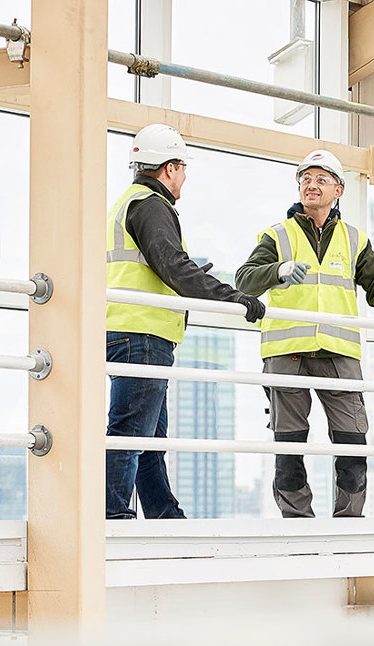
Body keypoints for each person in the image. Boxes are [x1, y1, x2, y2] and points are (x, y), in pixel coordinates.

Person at [235, 149, 374, 518]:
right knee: (289, 447)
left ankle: (349, 521)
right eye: (305, 179)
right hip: (288, 352)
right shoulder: (277, 236)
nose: (311, 185)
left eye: (320, 179)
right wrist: (278, 270)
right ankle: (297, 522)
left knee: (353, 442)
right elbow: (244, 280)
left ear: (338, 191)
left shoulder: (353, 240)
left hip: (339, 352)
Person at [105, 123, 266, 519]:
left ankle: (162, 512)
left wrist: (190, 274)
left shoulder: (128, 203)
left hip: (131, 329)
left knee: (149, 435)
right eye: (183, 169)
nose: (184, 179)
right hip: (141, 332)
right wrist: (235, 297)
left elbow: (161, 266)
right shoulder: (151, 206)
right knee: (130, 432)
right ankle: (111, 514)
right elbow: (173, 267)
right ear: (170, 168)